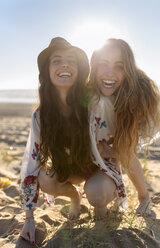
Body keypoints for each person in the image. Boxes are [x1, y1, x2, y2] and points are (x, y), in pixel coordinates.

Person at [20, 37, 97, 244]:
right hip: (66, 170)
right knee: (45, 180)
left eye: (71, 60)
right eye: (57, 60)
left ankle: (102, 200)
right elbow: (30, 166)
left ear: (79, 70)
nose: (65, 64)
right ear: (47, 72)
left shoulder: (92, 104)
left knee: (98, 194)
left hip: (94, 168)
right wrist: (29, 219)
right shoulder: (40, 116)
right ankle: (74, 197)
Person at [87, 38, 160, 218]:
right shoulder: (87, 94)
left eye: (119, 66)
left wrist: (114, 150)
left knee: (127, 154)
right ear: (94, 66)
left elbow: (129, 144)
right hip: (99, 135)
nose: (109, 73)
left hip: (122, 132)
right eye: (103, 64)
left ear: (127, 70)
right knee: (98, 185)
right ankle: (110, 185)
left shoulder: (135, 95)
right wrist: (96, 148)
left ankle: (144, 197)